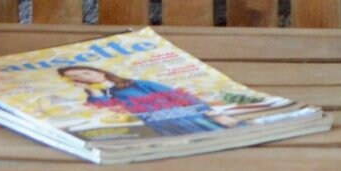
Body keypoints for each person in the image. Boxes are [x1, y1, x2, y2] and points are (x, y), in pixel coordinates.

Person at [57, 62, 224, 136]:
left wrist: (211, 112)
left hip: (191, 116)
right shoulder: (101, 95)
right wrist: (91, 91)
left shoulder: (137, 84)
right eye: (76, 76)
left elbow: (180, 96)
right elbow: (108, 111)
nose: (83, 76)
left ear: (100, 72)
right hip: (161, 126)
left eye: (85, 72)